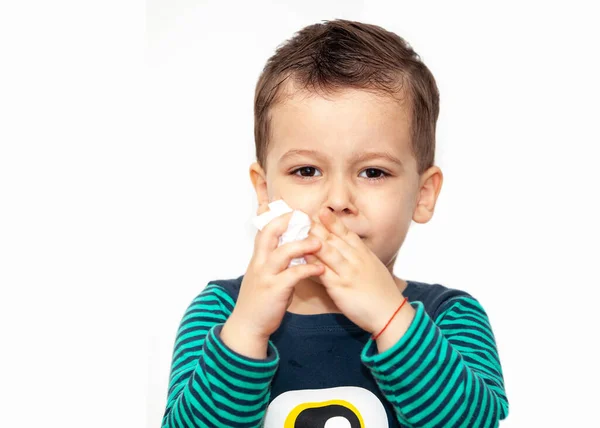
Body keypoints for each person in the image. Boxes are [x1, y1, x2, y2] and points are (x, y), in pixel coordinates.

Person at [161, 18, 509, 427]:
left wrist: (390, 316)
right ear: (264, 191)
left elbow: (473, 421)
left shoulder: (449, 317)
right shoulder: (222, 313)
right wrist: (248, 332)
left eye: (373, 172)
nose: (338, 201)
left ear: (423, 194)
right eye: (307, 171)